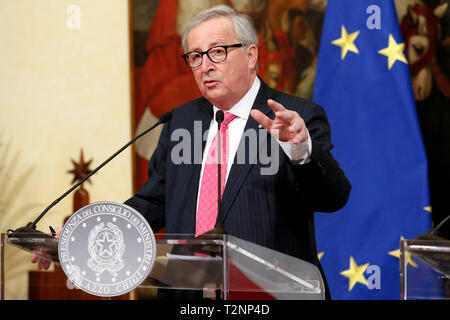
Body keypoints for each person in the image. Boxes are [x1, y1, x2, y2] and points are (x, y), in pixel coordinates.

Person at [32, 5, 350, 300]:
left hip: (269, 295)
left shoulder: (296, 116)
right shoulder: (181, 120)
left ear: (251, 55)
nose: (205, 66)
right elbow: (153, 202)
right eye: (195, 56)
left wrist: (300, 149)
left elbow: (333, 198)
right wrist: (81, 236)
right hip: (186, 296)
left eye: (217, 52)